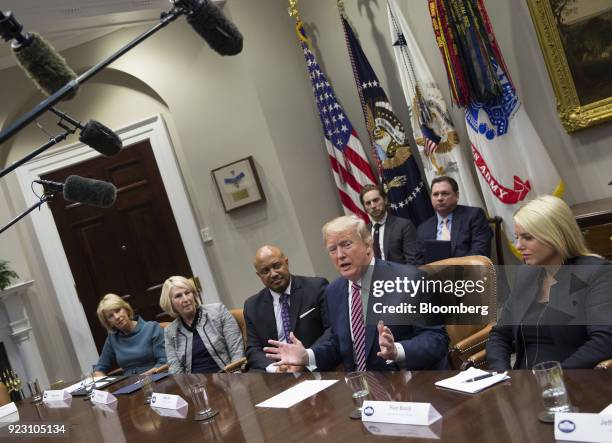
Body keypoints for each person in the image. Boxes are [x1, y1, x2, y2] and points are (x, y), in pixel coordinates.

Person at [264, 215, 449, 371]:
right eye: (332, 249)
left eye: (346, 245)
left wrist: (397, 350)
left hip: (408, 384)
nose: (340, 255)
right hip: (360, 392)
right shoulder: (333, 291)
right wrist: (307, 356)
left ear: (368, 245)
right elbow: (339, 344)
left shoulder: (410, 280)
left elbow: (436, 340)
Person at [487, 195, 612, 370]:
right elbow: (500, 334)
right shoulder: (525, 275)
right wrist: (502, 376)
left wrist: (552, 378)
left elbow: (605, 341)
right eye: (517, 237)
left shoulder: (596, 272)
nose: (518, 246)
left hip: (573, 381)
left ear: (555, 236)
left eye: (527, 237)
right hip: (522, 384)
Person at [244, 245, 330, 372]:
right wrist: (276, 369)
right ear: (259, 275)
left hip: (314, 366)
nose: (273, 274)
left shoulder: (316, 288)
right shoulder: (252, 306)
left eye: (276, 266)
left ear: (286, 262)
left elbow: (331, 330)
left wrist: (306, 357)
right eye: (265, 271)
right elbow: (253, 350)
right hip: (278, 375)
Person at [160, 276, 244, 374]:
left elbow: (237, 352)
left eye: (188, 293)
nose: (186, 299)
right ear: (170, 303)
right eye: (178, 296)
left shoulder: (218, 311)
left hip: (227, 377)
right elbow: (175, 370)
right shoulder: (170, 331)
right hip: (195, 385)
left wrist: (235, 378)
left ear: (194, 294)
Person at [416, 176, 492, 262]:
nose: (439, 198)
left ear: (456, 195)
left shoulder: (474, 215)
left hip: (468, 272)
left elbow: (479, 253)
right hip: (434, 274)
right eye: (435, 194)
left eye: (445, 193)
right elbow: (419, 262)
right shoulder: (423, 228)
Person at [93, 294, 166, 376]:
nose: (116, 317)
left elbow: (163, 362)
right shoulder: (112, 338)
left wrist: (143, 379)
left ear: (126, 309)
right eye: (110, 316)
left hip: (156, 379)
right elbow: (99, 369)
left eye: (118, 310)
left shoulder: (152, 328)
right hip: (129, 385)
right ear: (108, 322)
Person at [359, 184, 419, 265]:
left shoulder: (404, 225)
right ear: (364, 208)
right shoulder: (363, 231)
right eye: (368, 203)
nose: (373, 206)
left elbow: (413, 262)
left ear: (385, 200)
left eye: (376, 200)